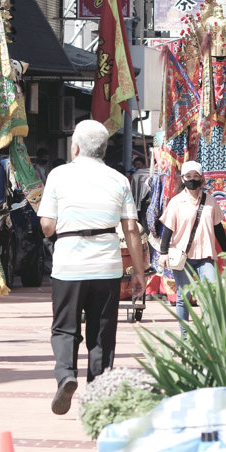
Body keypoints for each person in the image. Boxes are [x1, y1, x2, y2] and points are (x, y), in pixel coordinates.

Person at [38, 119, 145, 416]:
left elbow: (47, 228)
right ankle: (97, 394)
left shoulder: (58, 176)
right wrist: (137, 273)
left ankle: (66, 375)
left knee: (65, 328)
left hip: (69, 265)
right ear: (104, 148)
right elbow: (132, 230)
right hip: (107, 266)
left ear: (75, 147)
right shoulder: (119, 180)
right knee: (102, 333)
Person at [159, 161, 226, 335]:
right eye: (188, 176)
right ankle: (185, 335)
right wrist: (163, 253)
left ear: (201, 178)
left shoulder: (210, 201)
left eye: (195, 176)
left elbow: (218, 228)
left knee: (210, 295)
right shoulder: (176, 202)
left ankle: (208, 334)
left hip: (205, 255)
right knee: (184, 297)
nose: (192, 180)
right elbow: (167, 230)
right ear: (182, 178)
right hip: (183, 256)